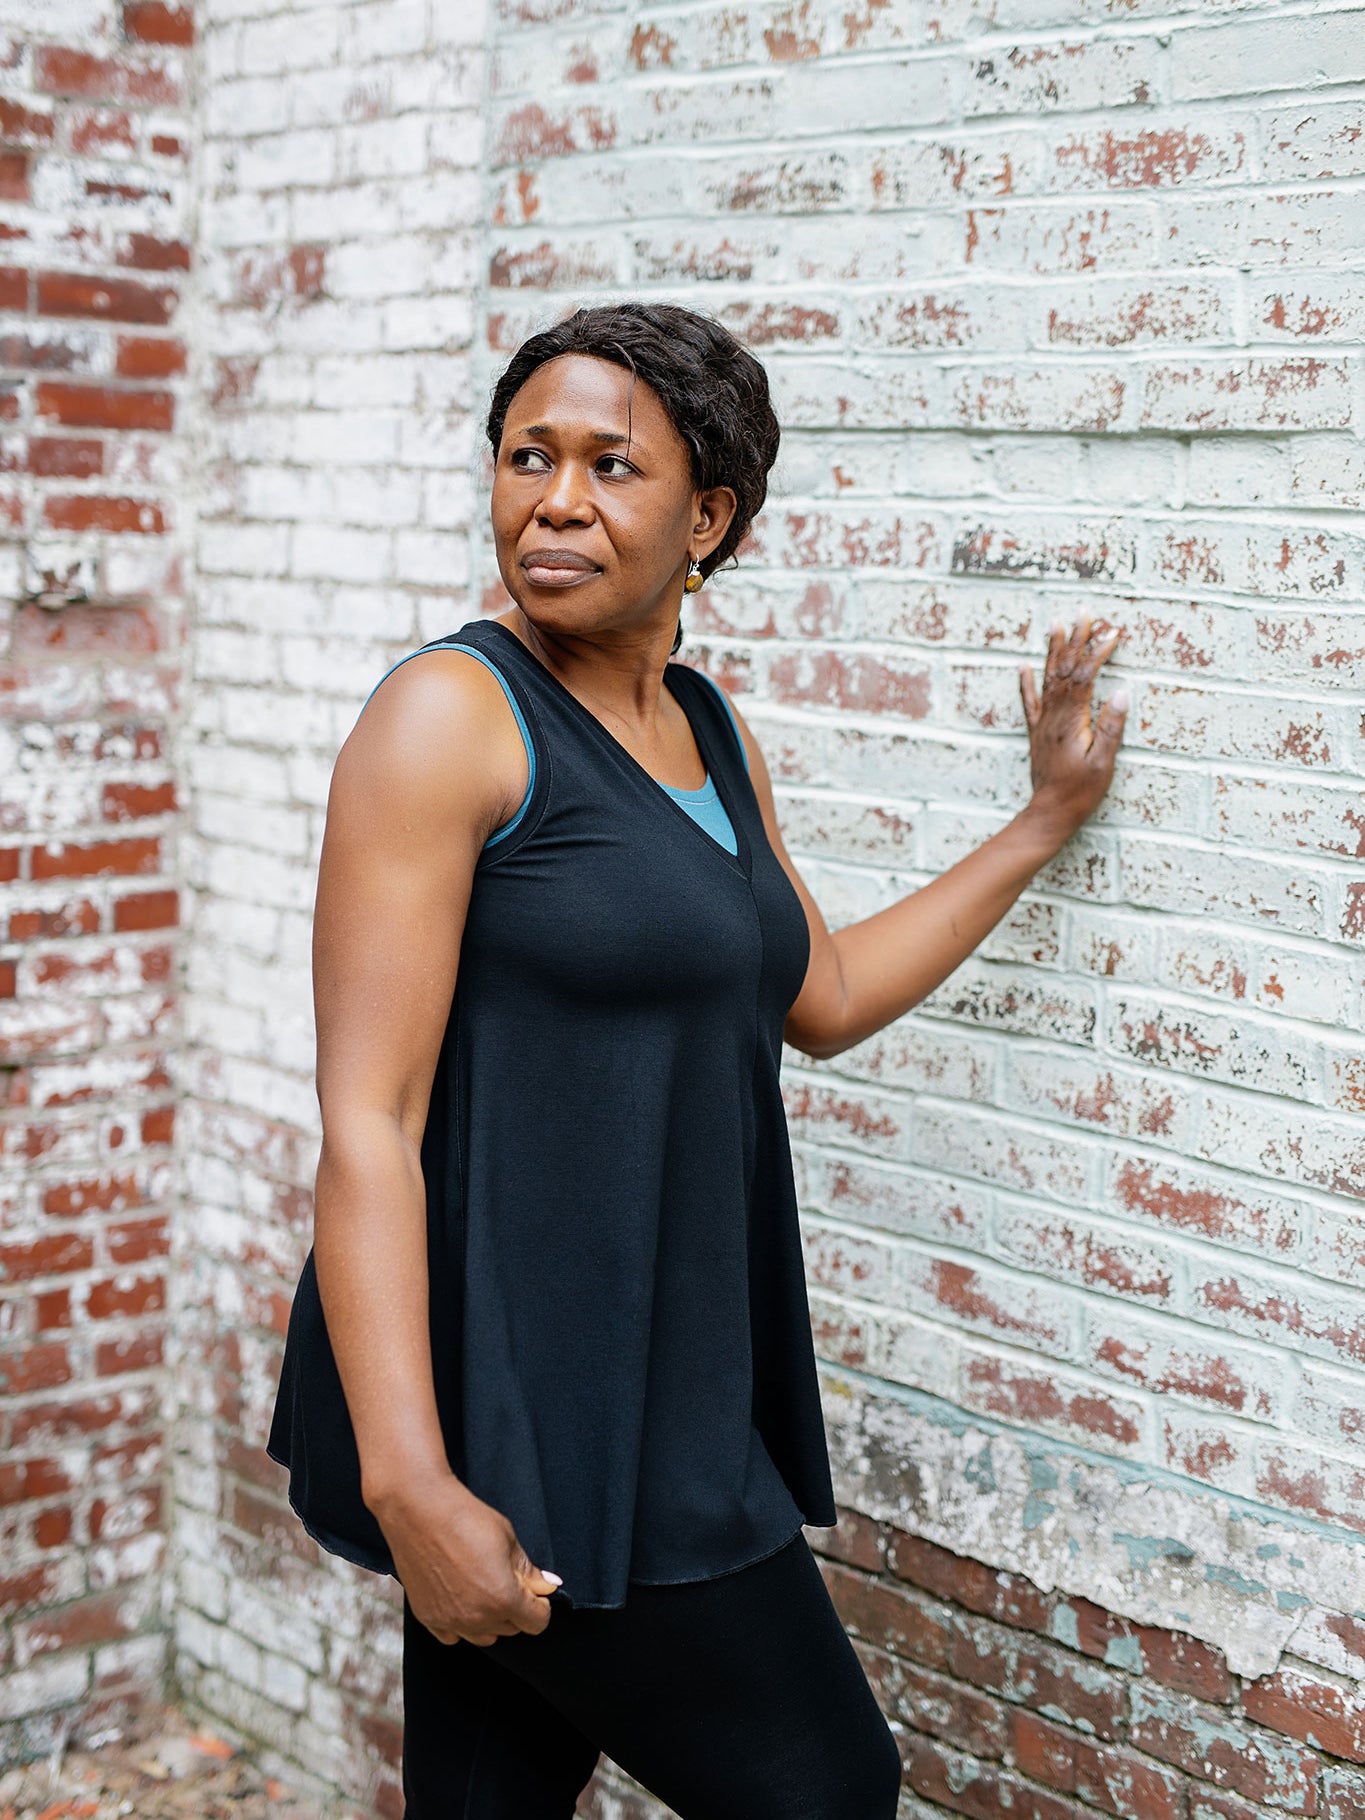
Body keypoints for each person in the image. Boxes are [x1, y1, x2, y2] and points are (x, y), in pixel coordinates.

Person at [266, 301, 1126, 1819]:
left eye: (613, 466)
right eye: (528, 456)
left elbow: (826, 989)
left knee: (490, 1800)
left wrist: (1040, 824)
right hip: (513, 1403)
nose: (557, 500)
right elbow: (368, 1119)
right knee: (829, 1791)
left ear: (708, 515)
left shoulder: (706, 728)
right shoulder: (447, 716)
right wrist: (410, 1483)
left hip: (662, 1371)